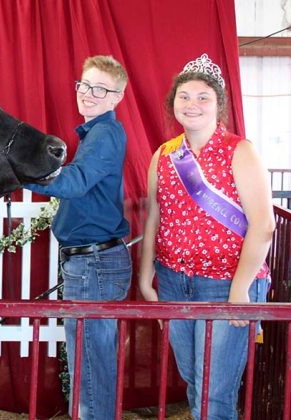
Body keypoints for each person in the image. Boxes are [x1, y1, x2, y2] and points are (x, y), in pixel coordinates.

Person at [138, 53, 274, 420]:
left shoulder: (239, 152)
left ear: (218, 105)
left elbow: (263, 224)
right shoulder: (164, 155)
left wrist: (240, 290)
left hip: (227, 283)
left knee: (215, 393)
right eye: (184, 96)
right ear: (173, 104)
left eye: (203, 97)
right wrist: (145, 275)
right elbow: (154, 216)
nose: (192, 104)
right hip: (173, 281)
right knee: (195, 382)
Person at [23, 55, 131, 419]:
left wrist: (13, 175)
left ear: (117, 97)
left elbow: (75, 182)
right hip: (90, 261)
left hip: (94, 263)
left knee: (90, 367)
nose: (88, 93)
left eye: (100, 88)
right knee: (91, 362)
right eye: (84, 85)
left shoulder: (105, 133)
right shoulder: (96, 134)